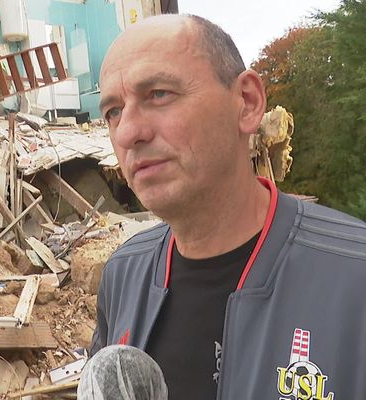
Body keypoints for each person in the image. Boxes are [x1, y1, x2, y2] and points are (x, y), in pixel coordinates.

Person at [91, 13, 366, 400]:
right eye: (113, 111)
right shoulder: (123, 275)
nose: (128, 132)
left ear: (247, 103)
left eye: (158, 94)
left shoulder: (354, 279)